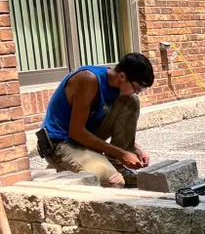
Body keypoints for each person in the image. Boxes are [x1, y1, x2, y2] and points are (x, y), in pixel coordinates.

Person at [38, 53, 155, 187]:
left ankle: (116, 165)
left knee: (131, 101)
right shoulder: (88, 79)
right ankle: (64, 168)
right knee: (114, 182)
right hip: (60, 143)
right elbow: (75, 132)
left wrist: (134, 149)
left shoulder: (116, 86)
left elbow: (111, 123)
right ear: (122, 76)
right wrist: (122, 154)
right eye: (137, 89)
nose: (136, 92)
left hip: (83, 137)